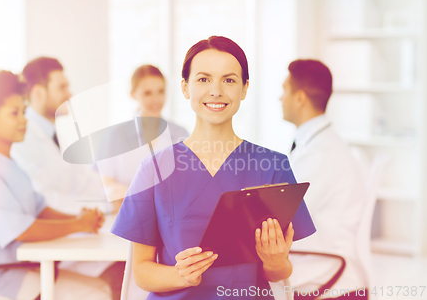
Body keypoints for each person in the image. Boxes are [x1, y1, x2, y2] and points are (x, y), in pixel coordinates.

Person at [111, 36, 316, 299]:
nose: (216, 91)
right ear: (185, 88)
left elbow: (280, 271)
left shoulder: (273, 166)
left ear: (244, 89)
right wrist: (179, 275)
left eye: (229, 80)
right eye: (203, 79)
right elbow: (141, 271)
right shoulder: (153, 169)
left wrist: (275, 262)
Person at [0, 69, 111, 300]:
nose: (24, 120)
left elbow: (39, 208)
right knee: (98, 294)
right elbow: (22, 229)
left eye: (23, 111)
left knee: (101, 288)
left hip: (13, 269)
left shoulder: (7, 163)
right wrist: (77, 225)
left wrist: (80, 219)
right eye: (15, 113)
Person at [10, 57, 125, 299]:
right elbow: (42, 198)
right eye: (62, 87)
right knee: (121, 274)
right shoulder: (23, 137)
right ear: (39, 93)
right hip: (45, 248)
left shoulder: (49, 133)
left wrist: (114, 197)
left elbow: (79, 178)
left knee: (127, 267)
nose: (70, 93)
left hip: (65, 239)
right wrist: (104, 205)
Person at [280, 59, 368, 299]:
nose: (280, 99)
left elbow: (284, 218)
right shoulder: (322, 145)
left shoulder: (320, 155)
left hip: (330, 282)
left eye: (284, 90)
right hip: (326, 269)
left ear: (299, 98)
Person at [100, 64, 189, 201]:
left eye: (161, 91)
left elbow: (185, 184)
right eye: (147, 93)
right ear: (133, 94)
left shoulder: (179, 134)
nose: (156, 100)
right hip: (125, 213)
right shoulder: (115, 136)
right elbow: (106, 184)